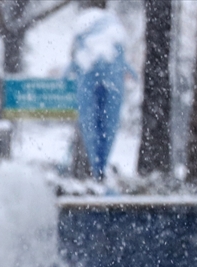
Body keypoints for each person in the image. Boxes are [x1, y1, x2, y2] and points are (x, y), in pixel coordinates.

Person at [65, 2, 136, 181]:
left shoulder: (93, 35)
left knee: (96, 123)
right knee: (103, 124)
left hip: (94, 72)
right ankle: (98, 170)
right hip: (101, 74)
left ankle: (98, 170)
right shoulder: (111, 33)